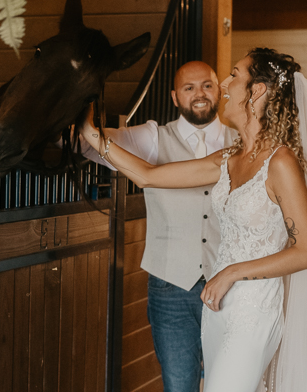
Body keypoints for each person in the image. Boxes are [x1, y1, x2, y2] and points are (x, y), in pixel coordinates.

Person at [81, 48, 307, 391]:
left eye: (235, 74)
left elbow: (306, 252)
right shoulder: (230, 158)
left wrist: (231, 272)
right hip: (218, 309)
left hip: (253, 309)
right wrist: (90, 133)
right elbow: (147, 176)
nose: (226, 84)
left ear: (257, 90)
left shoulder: (280, 162)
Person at [81, 61, 233, 391]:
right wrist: (85, 119)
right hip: (171, 285)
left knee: (231, 382)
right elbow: (91, 147)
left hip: (230, 286)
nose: (199, 94)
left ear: (220, 90)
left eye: (207, 85)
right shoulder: (153, 137)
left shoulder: (241, 144)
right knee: (179, 386)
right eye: (189, 88)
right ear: (175, 97)